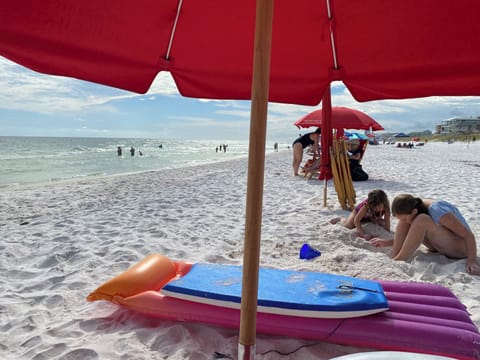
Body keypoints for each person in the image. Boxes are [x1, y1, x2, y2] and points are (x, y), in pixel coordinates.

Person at [370, 194, 480, 275]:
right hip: (441, 246)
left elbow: (468, 235)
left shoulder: (437, 210)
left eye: (405, 218)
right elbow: (412, 235)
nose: (405, 221)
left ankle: (399, 259)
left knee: (422, 220)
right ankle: (394, 256)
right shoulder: (416, 206)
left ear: (414, 211)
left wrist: (472, 261)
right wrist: (388, 242)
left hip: (461, 249)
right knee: (406, 220)